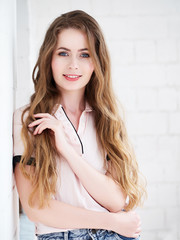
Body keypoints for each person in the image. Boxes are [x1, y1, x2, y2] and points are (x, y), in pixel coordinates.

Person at [13, 10, 146, 240]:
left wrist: (67, 150)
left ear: (96, 62)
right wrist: (109, 221)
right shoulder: (27, 119)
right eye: (63, 53)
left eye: (84, 55)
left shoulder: (107, 117)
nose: (73, 64)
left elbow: (116, 200)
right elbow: (35, 207)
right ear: (49, 58)